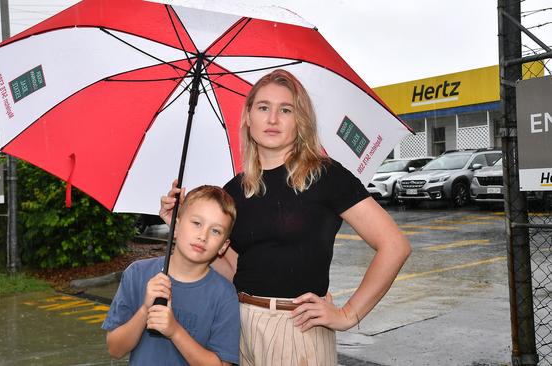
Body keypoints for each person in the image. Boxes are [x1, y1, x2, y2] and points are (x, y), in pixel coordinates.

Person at [160, 69, 411, 365]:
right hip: (235, 324)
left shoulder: (326, 176)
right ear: (249, 117)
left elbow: (395, 246)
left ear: (300, 121)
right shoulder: (234, 191)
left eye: (286, 109)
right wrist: (179, 228)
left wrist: (348, 314)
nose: (273, 119)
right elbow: (235, 271)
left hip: (297, 330)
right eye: (263, 107)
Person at [103, 185, 240, 366]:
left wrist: (175, 331)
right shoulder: (137, 274)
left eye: (215, 231)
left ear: (223, 246)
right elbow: (115, 349)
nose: (203, 236)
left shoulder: (224, 294)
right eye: (197, 223)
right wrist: (145, 309)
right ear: (175, 226)